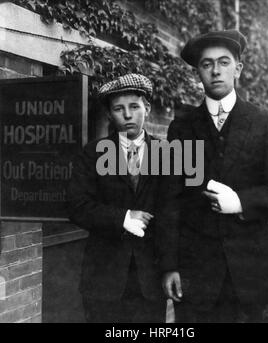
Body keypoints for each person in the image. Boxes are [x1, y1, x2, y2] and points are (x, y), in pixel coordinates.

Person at [157, 30, 268, 323]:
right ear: (198, 72)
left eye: (224, 61)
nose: (216, 70)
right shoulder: (181, 129)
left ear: (238, 68)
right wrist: (169, 266)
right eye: (207, 64)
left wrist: (240, 202)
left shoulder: (265, 123)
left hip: (252, 274)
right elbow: (169, 201)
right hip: (197, 276)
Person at [67, 73, 165, 323]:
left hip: (150, 279)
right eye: (119, 109)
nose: (128, 115)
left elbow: (176, 209)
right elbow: (76, 206)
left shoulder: (168, 154)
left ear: (148, 108)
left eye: (134, 106)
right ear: (110, 114)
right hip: (104, 278)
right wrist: (122, 217)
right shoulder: (93, 153)